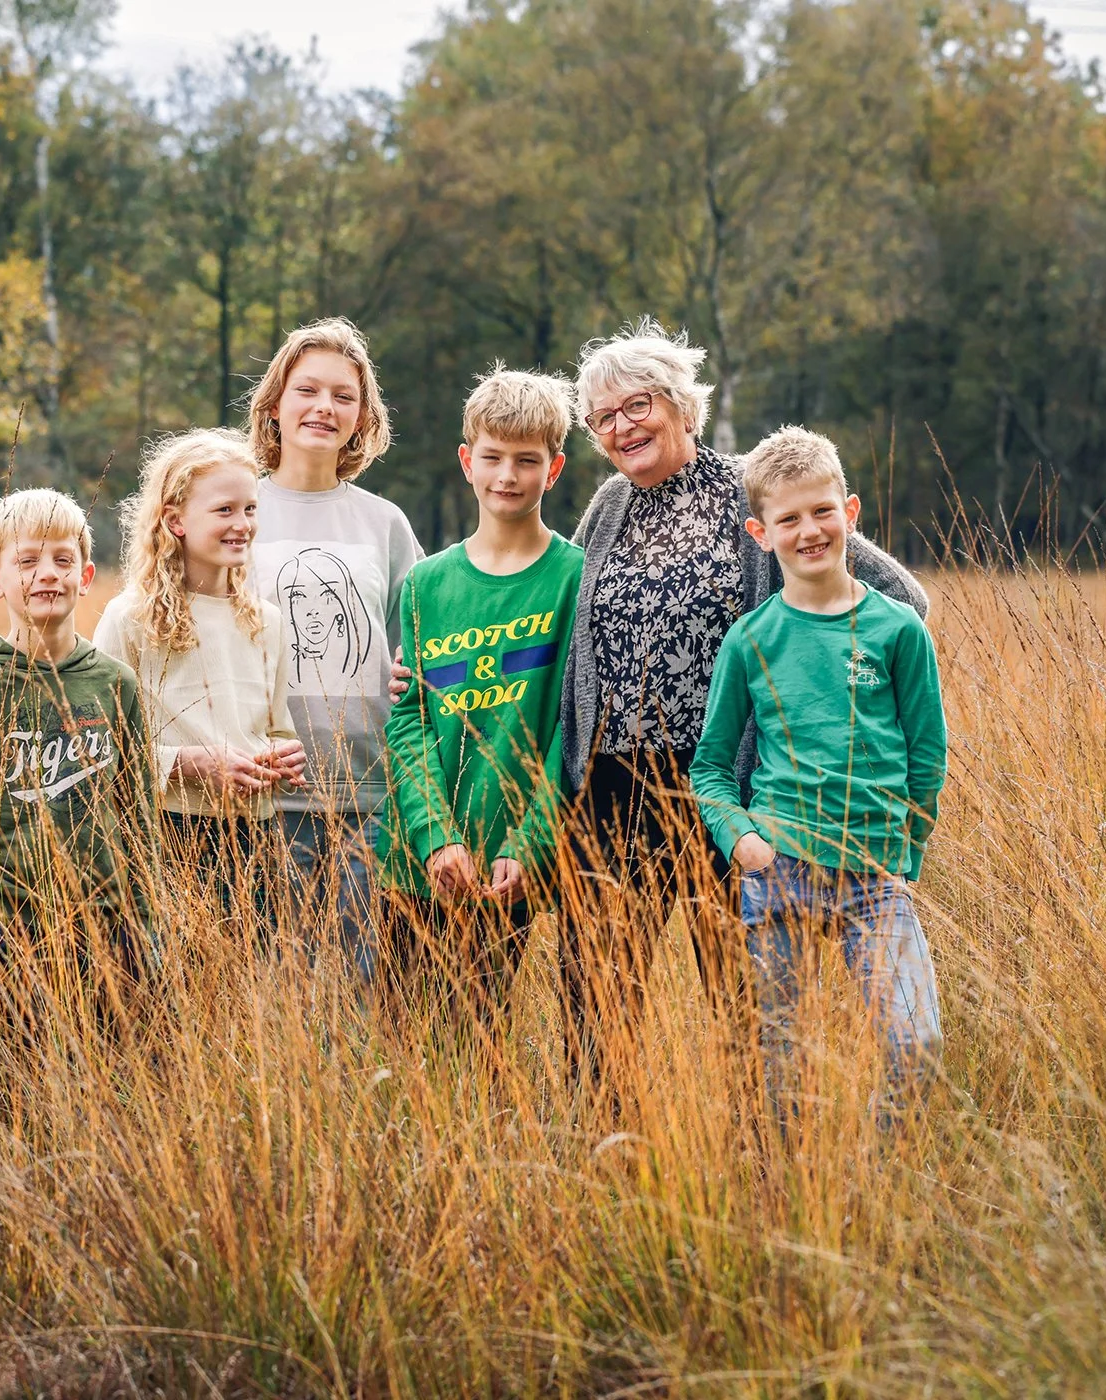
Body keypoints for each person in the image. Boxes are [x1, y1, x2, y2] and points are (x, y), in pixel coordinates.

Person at [560, 317, 929, 1087]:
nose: (622, 427)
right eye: (603, 418)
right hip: (609, 790)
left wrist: (821, 693)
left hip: (723, 784)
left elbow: (899, 597)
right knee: (593, 995)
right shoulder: (606, 510)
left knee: (745, 1005)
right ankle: (606, 1164)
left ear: (681, 406)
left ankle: (760, 1166)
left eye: (639, 406)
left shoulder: (750, 490)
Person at [689, 426, 945, 1124]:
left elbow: (927, 759)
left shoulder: (897, 632)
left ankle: (880, 1179)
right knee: (780, 1064)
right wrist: (740, 837)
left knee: (915, 1042)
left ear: (850, 513)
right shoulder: (751, 641)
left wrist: (906, 856)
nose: (810, 530)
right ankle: (792, 1197)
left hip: (876, 877)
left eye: (822, 511)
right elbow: (710, 767)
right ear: (760, 532)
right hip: (778, 873)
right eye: (789, 518)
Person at [377, 367, 584, 1033]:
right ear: (468, 462)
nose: (507, 476)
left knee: (481, 1040)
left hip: (507, 866)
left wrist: (530, 842)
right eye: (492, 458)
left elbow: (572, 731)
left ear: (553, 469)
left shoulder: (577, 579)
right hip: (417, 861)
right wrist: (435, 837)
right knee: (404, 1047)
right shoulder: (424, 585)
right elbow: (406, 720)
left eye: (527, 461)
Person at [0, 488, 159, 1063]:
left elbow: (139, 816)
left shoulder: (115, 683)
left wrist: (147, 929)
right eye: (26, 561)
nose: (46, 575)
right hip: (12, 936)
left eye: (61, 559)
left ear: (86, 576)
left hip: (113, 932)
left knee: (126, 1091)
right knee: (18, 1099)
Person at [246, 317, 422, 981]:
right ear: (275, 405)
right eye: (307, 390)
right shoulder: (239, 511)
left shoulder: (384, 523)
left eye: (343, 396)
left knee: (359, 990)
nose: (324, 407)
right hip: (264, 802)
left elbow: (421, 644)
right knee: (268, 994)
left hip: (369, 800)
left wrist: (416, 676)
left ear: (361, 417)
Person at [93, 429, 306, 927]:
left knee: (246, 995)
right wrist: (187, 764)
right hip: (166, 834)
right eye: (224, 510)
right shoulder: (129, 619)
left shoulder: (267, 622)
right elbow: (95, 747)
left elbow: (277, 729)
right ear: (175, 520)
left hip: (256, 838)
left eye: (250, 509)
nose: (242, 524)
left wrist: (285, 755)